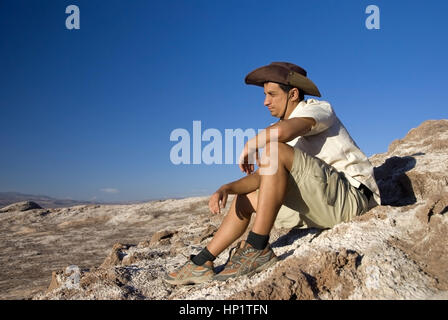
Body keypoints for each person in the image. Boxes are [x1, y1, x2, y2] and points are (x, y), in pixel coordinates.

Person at [164, 62, 380, 285]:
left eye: (271, 94)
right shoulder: (276, 131)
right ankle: (202, 262)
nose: (265, 101)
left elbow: (283, 133)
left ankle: (257, 247)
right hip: (324, 206)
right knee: (246, 197)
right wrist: (226, 187)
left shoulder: (316, 109)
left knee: (273, 148)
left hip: (354, 198)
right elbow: (263, 178)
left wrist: (251, 144)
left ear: (293, 94)